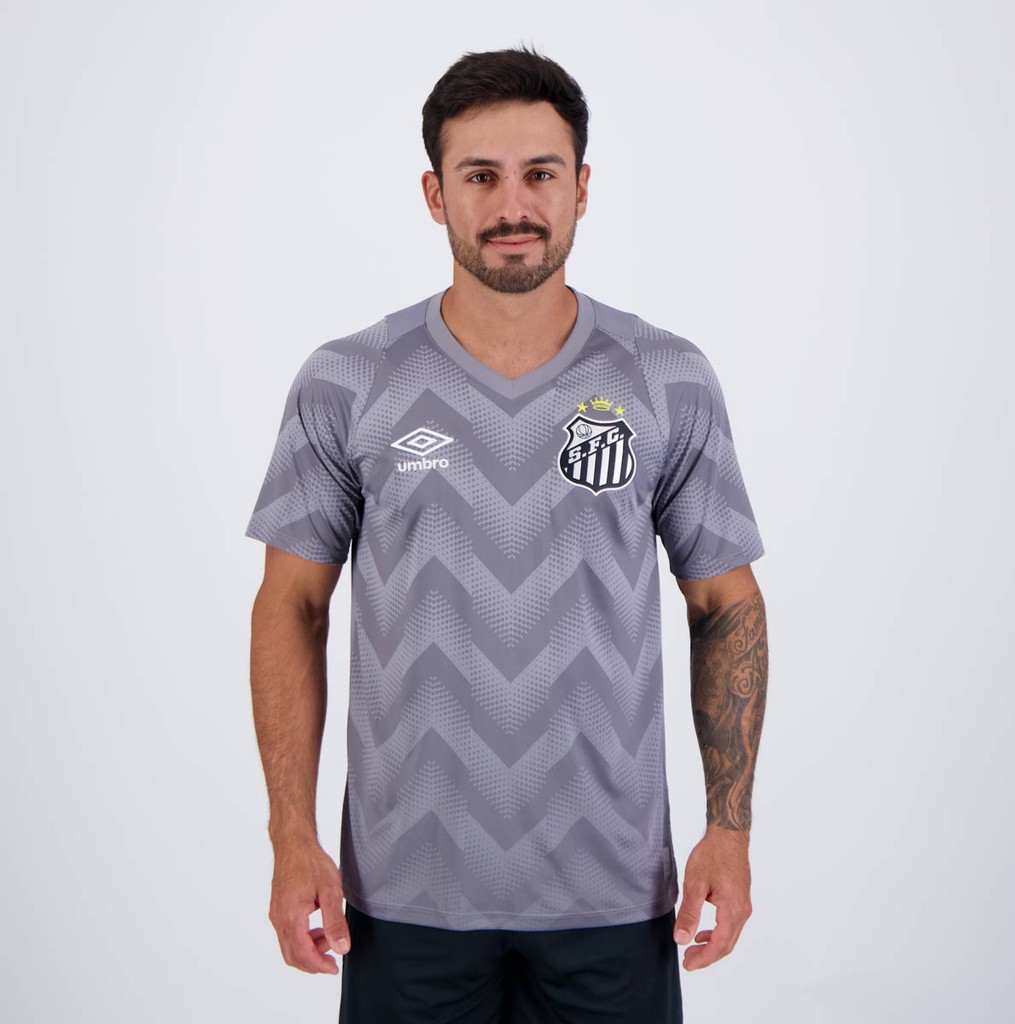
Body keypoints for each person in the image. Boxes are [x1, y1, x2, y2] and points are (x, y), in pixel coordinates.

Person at [245, 46, 769, 1024]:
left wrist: (728, 831)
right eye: (481, 176)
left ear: (582, 189)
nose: (513, 205)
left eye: (540, 173)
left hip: (616, 895)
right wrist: (290, 836)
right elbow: (292, 605)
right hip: (403, 898)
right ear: (435, 194)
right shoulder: (348, 382)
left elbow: (724, 603)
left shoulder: (667, 378)